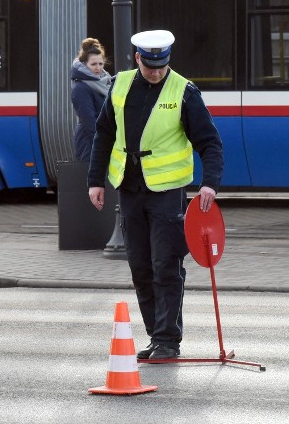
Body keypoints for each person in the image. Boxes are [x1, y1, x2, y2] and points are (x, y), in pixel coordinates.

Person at [87, 30, 224, 360]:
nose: (156, 72)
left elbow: (209, 142)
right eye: (150, 66)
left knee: (166, 264)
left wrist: (210, 182)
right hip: (131, 189)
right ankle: (155, 335)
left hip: (167, 192)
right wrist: (95, 180)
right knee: (140, 266)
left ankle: (167, 340)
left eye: (162, 66)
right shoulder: (119, 86)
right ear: (138, 59)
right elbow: (104, 134)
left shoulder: (184, 91)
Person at [71, 38, 112, 162]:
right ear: (84, 65)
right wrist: (104, 146)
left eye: (100, 64)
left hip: (102, 141)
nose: (98, 68)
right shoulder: (81, 88)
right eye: (93, 64)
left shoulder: (105, 83)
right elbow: (89, 122)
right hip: (89, 144)